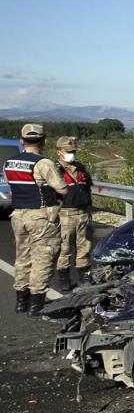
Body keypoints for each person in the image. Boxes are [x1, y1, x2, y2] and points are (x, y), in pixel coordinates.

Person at [4, 124, 68, 314]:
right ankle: (36, 302)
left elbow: (13, 184)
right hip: (39, 215)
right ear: (44, 140)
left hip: (18, 215)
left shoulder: (9, 163)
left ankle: (20, 301)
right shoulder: (43, 163)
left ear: (21, 141)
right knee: (43, 256)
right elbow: (62, 189)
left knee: (22, 256)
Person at [53, 136, 94, 291]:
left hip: (82, 213)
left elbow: (87, 188)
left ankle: (84, 279)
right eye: (68, 151)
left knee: (84, 247)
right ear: (58, 152)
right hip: (65, 214)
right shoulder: (54, 169)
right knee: (64, 248)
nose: (71, 154)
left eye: (73, 151)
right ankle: (64, 279)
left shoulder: (81, 168)